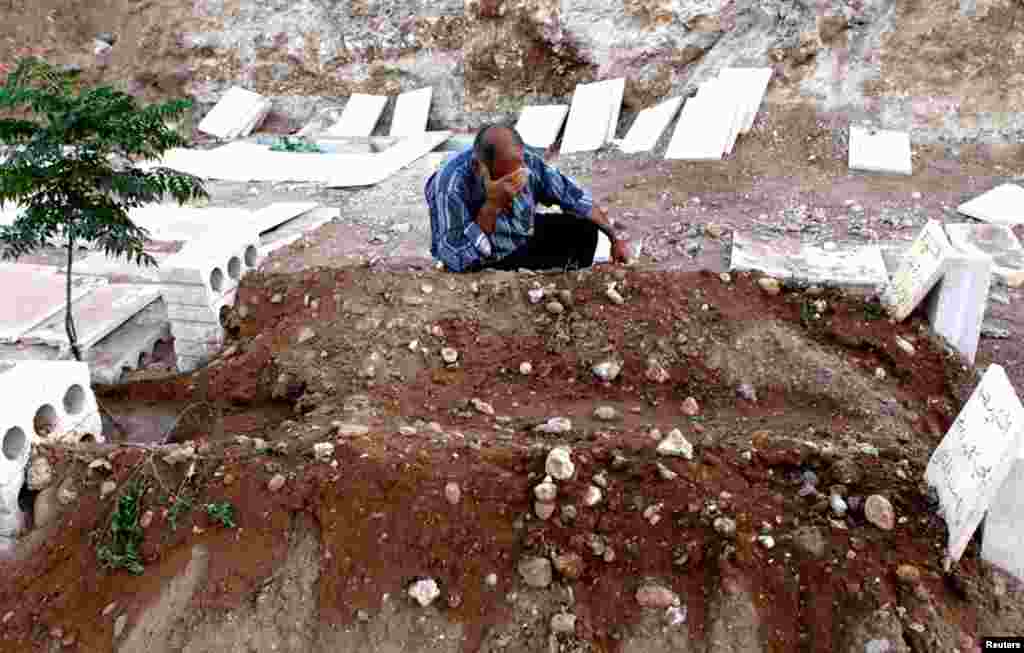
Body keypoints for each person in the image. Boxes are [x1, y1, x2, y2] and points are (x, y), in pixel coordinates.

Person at [425, 123, 630, 272]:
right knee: (472, 265)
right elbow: (457, 257)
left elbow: (573, 196)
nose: (514, 181)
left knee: (584, 229)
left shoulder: (526, 162)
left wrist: (614, 238)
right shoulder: (451, 185)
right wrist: (492, 206)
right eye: (505, 176)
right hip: (486, 253)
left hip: (520, 236)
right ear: (479, 167)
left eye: (517, 172)